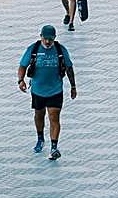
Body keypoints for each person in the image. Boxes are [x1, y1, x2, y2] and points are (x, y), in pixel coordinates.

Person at [17, 24, 76, 160]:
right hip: (37, 90)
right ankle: (40, 138)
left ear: (55, 38)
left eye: (51, 39)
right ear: (41, 37)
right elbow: (22, 65)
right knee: (39, 115)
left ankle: (54, 147)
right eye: (45, 39)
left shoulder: (61, 50)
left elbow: (69, 68)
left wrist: (73, 86)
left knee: (54, 117)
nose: (48, 42)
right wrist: (20, 80)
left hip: (55, 90)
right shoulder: (33, 49)